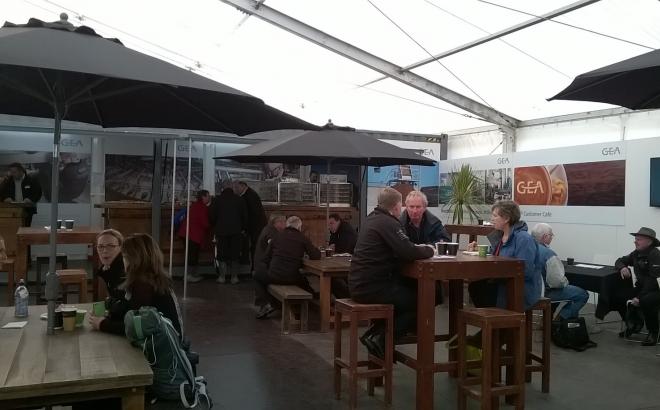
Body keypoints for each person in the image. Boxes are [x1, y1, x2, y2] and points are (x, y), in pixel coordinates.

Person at [349, 188, 434, 358]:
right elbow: (408, 251)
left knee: (406, 297)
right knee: (422, 302)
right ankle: (382, 339)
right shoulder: (389, 223)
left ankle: (374, 335)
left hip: (358, 284)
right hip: (373, 288)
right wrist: (429, 250)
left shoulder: (371, 219)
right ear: (397, 206)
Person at [89, 233, 181, 336]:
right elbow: (129, 310)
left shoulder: (144, 285)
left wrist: (102, 324)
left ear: (134, 259)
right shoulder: (153, 277)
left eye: (124, 257)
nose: (123, 261)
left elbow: (135, 328)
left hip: (164, 346)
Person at [467, 200, 542, 310]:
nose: (492, 219)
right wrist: (478, 250)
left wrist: (497, 274)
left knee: (479, 288)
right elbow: (496, 256)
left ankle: (498, 323)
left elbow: (525, 270)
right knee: (475, 286)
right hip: (502, 282)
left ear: (506, 218)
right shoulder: (500, 236)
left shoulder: (523, 239)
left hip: (520, 288)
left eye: (495, 216)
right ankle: (493, 324)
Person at [254, 216, 321, 319]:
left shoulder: (277, 236)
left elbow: (265, 258)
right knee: (303, 280)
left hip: (273, 276)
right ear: (299, 227)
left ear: (287, 225)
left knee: (256, 275)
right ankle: (312, 303)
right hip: (292, 277)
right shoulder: (302, 238)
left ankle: (265, 303)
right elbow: (315, 255)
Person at [531, 223, 588, 319]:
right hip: (545, 293)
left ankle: (547, 320)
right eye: (551, 235)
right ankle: (560, 320)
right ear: (545, 236)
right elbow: (557, 282)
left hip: (529, 290)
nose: (552, 237)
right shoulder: (549, 254)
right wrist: (566, 282)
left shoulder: (526, 249)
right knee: (582, 294)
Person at [614, 227, 660, 346]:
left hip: (656, 288)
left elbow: (652, 280)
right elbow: (619, 260)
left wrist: (639, 297)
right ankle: (633, 324)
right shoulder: (636, 253)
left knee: (646, 300)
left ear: (649, 241)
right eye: (635, 239)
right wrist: (623, 267)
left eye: (639, 239)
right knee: (619, 296)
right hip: (643, 287)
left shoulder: (655, 254)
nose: (635, 241)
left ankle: (654, 332)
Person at [211, 182, 247, 284]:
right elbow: (245, 216)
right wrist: (243, 228)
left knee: (221, 254)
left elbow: (212, 216)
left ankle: (222, 277)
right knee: (235, 254)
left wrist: (216, 226)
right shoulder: (239, 199)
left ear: (222, 188)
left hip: (221, 231)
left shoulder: (217, 200)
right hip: (236, 231)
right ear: (232, 188)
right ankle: (234, 277)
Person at [253, 214, 286, 310]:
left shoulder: (267, 229)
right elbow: (275, 251)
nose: (285, 225)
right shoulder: (272, 233)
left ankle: (269, 302)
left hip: (261, 265)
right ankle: (270, 303)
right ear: (277, 223)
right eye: (284, 222)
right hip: (265, 267)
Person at [234, 181, 267, 272]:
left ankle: (255, 268)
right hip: (256, 226)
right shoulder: (250, 194)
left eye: (237, 187)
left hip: (256, 227)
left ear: (243, 186)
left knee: (255, 247)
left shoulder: (249, 196)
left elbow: (252, 214)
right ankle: (253, 267)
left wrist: (245, 228)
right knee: (254, 246)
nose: (235, 190)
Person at [179, 190, 211, 283]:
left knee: (189, 254)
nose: (209, 198)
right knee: (192, 255)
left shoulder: (195, 205)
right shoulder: (202, 207)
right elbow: (204, 223)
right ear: (203, 197)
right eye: (208, 196)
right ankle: (189, 276)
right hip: (193, 235)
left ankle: (190, 274)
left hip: (186, 233)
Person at [95, 229, 126, 300]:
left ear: (121, 248)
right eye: (100, 246)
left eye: (111, 246)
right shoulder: (106, 268)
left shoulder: (123, 270)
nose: (105, 251)